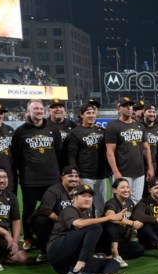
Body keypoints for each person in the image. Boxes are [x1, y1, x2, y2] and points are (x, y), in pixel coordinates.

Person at [47, 184, 127, 274]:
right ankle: (78, 270)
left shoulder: (87, 213)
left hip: (68, 264)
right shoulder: (69, 210)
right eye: (84, 196)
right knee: (96, 227)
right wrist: (109, 218)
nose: (88, 199)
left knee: (114, 262)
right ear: (75, 198)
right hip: (57, 251)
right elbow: (79, 224)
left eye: (90, 196)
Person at [11, 99, 63, 250]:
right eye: (35, 109)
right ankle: (28, 238)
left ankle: (54, 235)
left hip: (52, 179)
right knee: (29, 211)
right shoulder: (20, 131)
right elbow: (16, 156)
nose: (39, 111)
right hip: (30, 180)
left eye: (41, 109)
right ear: (28, 112)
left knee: (55, 209)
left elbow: (59, 153)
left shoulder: (53, 129)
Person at [105, 97, 154, 203]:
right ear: (118, 108)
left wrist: (150, 167)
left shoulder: (139, 126)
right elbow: (110, 151)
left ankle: (133, 220)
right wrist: (115, 171)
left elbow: (146, 148)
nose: (129, 107)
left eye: (130, 105)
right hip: (123, 171)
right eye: (125, 105)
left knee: (137, 201)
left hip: (139, 172)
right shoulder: (113, 126)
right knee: (121, 200)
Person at [31, 166, 81, 263]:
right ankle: (44, 251)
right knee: (40, 221)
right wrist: (62, 221)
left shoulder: (80, 191)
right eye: (70, 176)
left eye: (76, 176)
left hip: (73, 222)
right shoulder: (54, 190)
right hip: (54, 222)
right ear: (62, 177)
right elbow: (45, 209)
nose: (74, 179)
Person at [67, 103, 109, 215]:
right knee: (85, 205)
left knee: (102, 205)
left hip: (101, 175)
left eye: (93, 113)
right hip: (85, 175)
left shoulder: (101, 131)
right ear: (81, 115)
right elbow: (72, 156)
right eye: (88, 113)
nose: (92, 115)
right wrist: (77, 175)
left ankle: (100, 229)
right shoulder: (75, 133)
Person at [100, 178, 145, 268]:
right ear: (114, 190)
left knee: (140, 249)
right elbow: (110, 217)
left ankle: (107, 258)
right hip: (106, 240)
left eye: (128, 187)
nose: (126, 190)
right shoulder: (111, 203)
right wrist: (131, 223)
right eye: (122, 187)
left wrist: (130, 228)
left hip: (120, 239)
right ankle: (115, 255)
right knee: (112, 224)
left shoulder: (130, 202)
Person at [141, 103, 158, 177]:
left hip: (153, 163)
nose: (152, 114)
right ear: (144, 113)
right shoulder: (137, 126)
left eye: (154, 112)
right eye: (149, 111)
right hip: (139, 163)